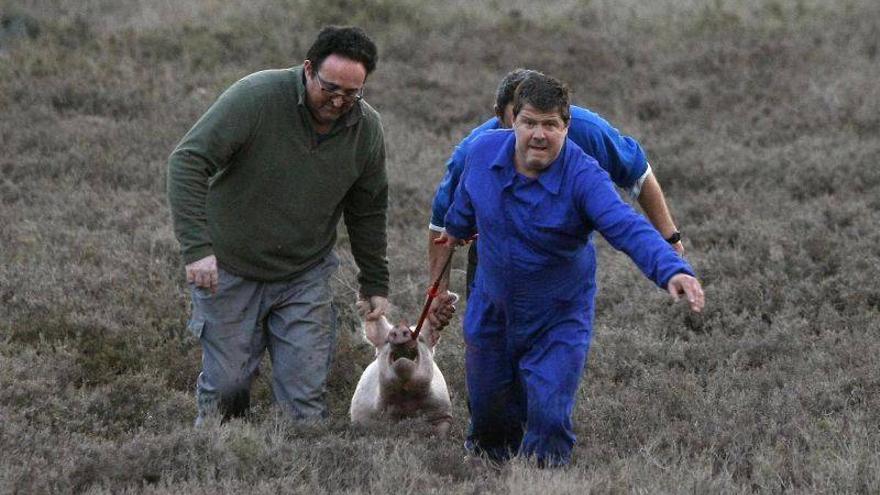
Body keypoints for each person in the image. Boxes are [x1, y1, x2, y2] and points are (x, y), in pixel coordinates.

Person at [435, 73, 705, 467]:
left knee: (548, 413)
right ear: (512, 123)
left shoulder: (584, 176)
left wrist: (671, 269)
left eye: (550, 125)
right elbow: (460, 206)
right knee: (490, 412)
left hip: (557, 317)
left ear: (566, 127)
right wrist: (456, 231)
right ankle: (486, 470)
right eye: (529, 123)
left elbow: (625, 226)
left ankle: (545, 479)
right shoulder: (480, 153)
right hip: (491, 309)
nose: (539, 135)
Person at [167, 26, 392, 424]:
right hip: (231, 270)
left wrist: (374, 281)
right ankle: (218, 469)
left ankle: (298, 469)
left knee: (304, 400)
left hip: (304, 274)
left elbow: (368, 210)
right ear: (308, 69)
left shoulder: (366, 130)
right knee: (227, 389)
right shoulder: (256, 98)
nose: (339, 100)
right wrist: (197, 250)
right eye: (330, 88)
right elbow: (187, 161)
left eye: (352, 93)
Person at [428, 68, 684, 302]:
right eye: (524, 124)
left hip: (562, 259)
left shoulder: (589, 132)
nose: (533, 138)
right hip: (495, 256)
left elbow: (637, 176)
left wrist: (670, 239)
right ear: (502, 115)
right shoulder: (475, 151)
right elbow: (442, 222)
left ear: (563, 119)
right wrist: (438, 293)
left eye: (547, 124)